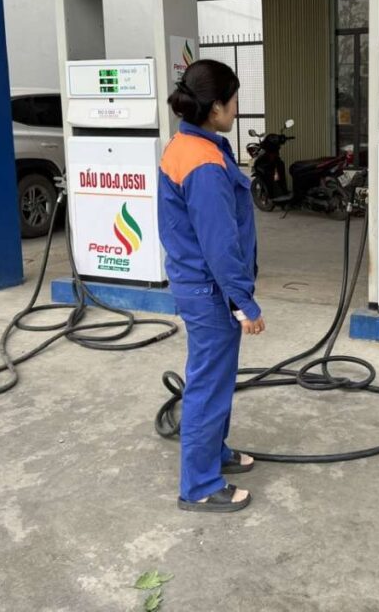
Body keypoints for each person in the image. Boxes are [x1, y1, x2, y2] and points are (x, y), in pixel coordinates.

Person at [157, 59, 265, 514]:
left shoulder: (189, 144)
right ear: (216, 106)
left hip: (199, 284)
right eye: (234, 100)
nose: (237, 109)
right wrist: (244, 302)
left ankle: (214, 453)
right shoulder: (202, 162)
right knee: (207, 384)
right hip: (210, 290)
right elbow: (220, 245)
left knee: (217, 379)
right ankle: (199, 485)